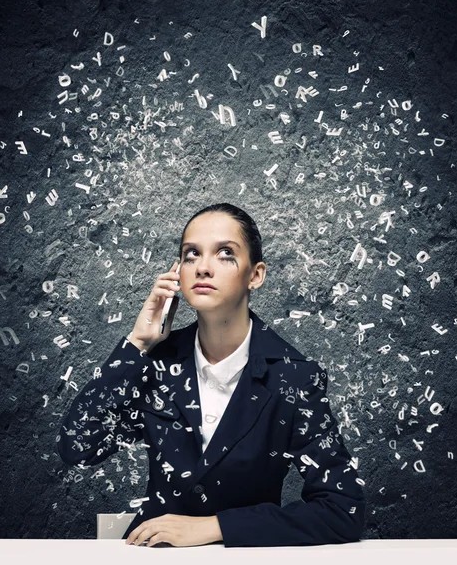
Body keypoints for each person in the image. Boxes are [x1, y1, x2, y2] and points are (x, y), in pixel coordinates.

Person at [56, 202, 366, 548]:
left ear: (255, 275)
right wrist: (138, 343)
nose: (203, 267)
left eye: (225, 254)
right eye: (191, 254)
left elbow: (342, 511)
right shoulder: (155, 364)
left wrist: (216, 527)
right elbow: (77, 448)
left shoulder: (292, 377)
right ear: (178, 273)